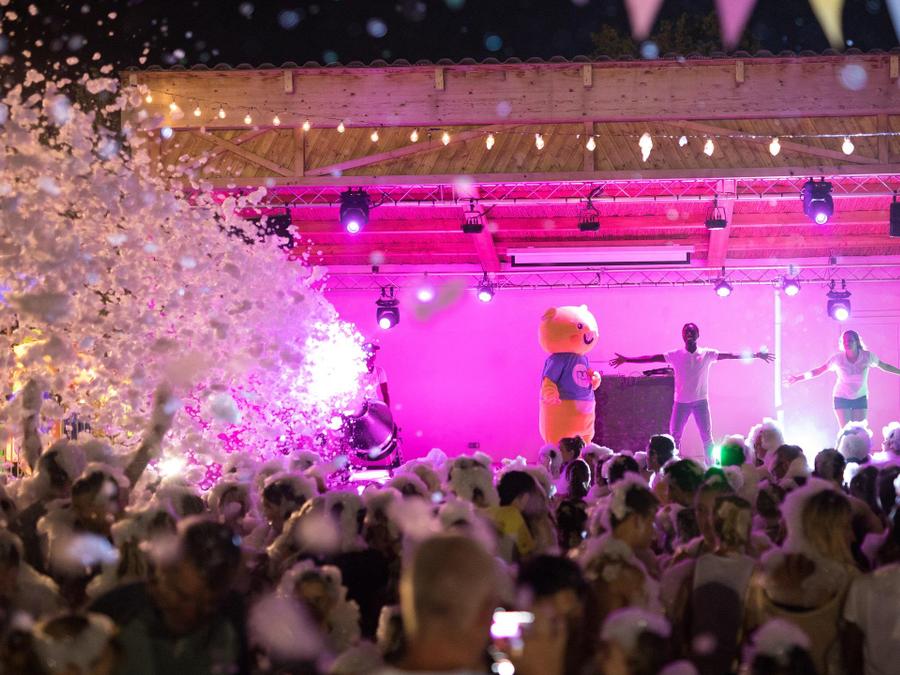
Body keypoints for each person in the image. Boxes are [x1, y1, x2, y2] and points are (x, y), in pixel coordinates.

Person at [609, 323, 775, 460]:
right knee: (674, 438)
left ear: (697, 335)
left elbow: (731, 355)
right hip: (680, 403)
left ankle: (711, 467)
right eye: (686, 332)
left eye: (692, 331)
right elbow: (651, 358)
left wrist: (756, 355)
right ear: (683, 336)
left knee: (707, 438)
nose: (689, 334)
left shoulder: (707, 354)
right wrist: (627, 359)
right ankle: (672, 466)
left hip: (700, 402)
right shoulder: (676, 355)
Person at [785, 330, 900, 428]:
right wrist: (798, 378)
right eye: (844, 341)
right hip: (841, 397)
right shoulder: (837, 359)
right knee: (846, 432)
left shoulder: (867, 356)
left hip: (860, 397)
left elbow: (885, 366)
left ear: (857, 342)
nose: (847, 343)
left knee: (860, 431)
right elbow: (819, 371)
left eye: (850, 340)